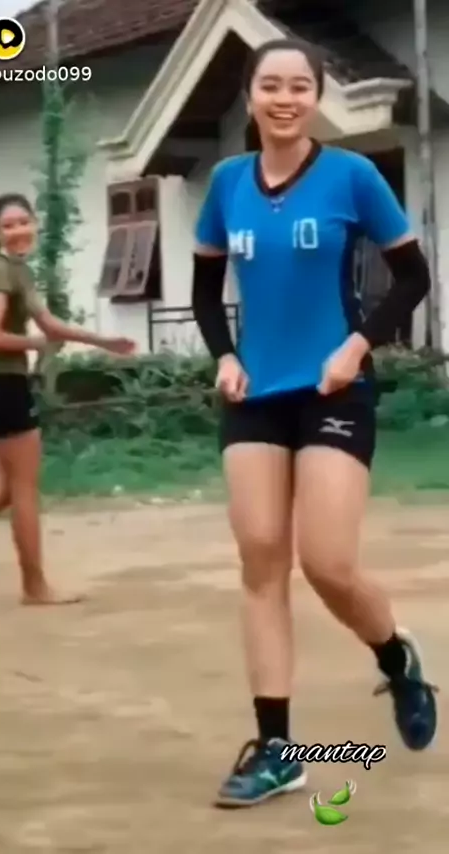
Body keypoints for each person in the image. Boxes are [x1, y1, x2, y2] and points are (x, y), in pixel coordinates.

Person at [192, 38, 438, 809]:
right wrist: (224, 356)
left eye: (300, 85)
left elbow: (413, 276)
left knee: (327, 562)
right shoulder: (227, 183)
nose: (286, 98)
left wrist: (357, 345)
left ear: (316, 96)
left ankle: (396, 659)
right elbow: (205, 289)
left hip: (335, 389)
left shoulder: (352, 175)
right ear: (251, 95)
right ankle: (277, 751)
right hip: (255, 396)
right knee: (261, 561)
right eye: (271, 85)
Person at [0, 193, 135, 605]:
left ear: (35, 224)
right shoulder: (0, 272)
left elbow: (49, 323)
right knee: (23, 490)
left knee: (0, 492)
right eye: (8, 225)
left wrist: (103, 341)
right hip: (1, 386)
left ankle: (34, 585)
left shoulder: (17, 272)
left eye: (23, 221)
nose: (18, 230)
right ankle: (35, 587)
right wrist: (35, 344)